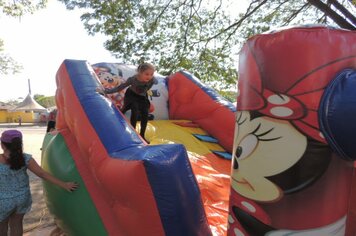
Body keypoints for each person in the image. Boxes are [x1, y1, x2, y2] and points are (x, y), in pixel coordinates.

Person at [0, 129, 78, 236]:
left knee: (2, 226)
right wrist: (65, 185)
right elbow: (42, 174)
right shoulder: (26, 158)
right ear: (19, 144)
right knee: (17, 224)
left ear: (2, 145)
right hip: (22, 198)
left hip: (3, 201)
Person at [96, 63, 157, 143]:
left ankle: (142, 135)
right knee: (133, 109)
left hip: (142, 97)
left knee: (145, 113)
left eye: (151, 74)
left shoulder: (152, 80)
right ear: (140, 72)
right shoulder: (133, 79)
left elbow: (146, 89)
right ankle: (134, 134)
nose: (149, 76)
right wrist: (106, 91)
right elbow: (121, 87)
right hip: (131, 95)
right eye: (146, 74)